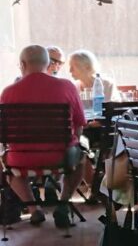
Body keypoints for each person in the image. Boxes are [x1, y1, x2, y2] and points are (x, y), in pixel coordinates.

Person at [0, 45, 86, 228]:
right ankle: (63, 203)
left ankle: (34, 210)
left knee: (9, 166)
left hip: (20, 159)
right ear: (47, 63)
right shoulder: (67, 86)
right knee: (81, 158)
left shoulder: (8, 92)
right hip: (60, 157)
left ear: (23, 64)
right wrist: (74, 143)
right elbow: (79, 123)